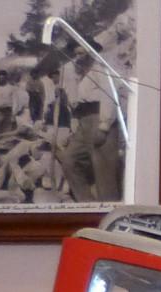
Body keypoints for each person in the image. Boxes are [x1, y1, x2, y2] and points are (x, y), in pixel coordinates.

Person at [55, 50, 123, 203]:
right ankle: (86, 204)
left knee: (104, 172)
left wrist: (104, 126)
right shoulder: (76, 72)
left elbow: (110, 96)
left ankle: (108, 208)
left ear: (90, 51)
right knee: (69, 161)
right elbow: (75, 101)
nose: (78, 56)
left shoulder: (101, 67)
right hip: (83, 120)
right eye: (75, 53)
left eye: (82, 52)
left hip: (99, 117)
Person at [0, 69, 31, 138]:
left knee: (6, 132)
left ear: (6, 78)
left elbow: (15, 102)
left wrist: (13, 114)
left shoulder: (11, 88)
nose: (1, 79)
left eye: (2, 77)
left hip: (7, 112)